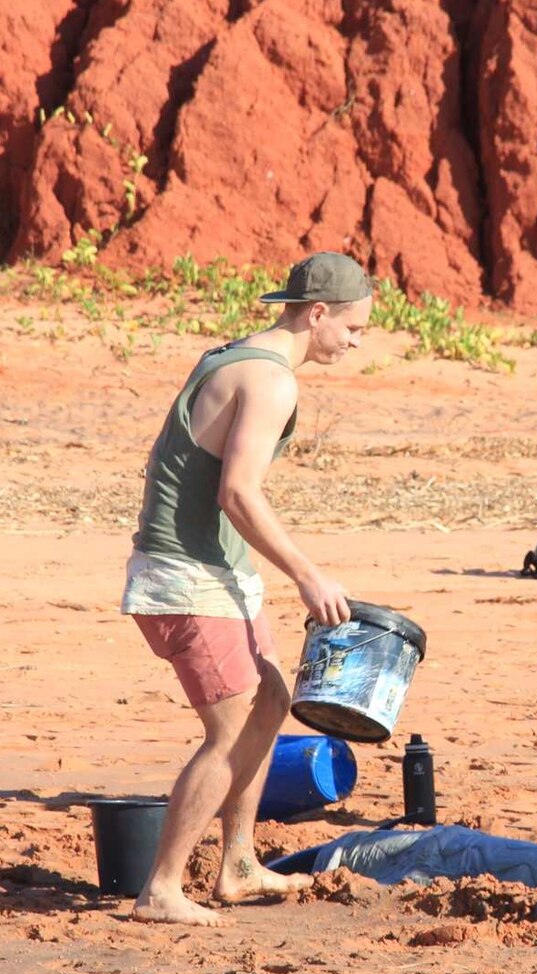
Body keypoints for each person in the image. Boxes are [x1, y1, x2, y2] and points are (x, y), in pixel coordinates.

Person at [120, 251, 373, 925]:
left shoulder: (237, 356)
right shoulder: (271, 382)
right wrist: (308, 573)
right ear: (316, 313)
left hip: (217, 570)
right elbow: (237, 492)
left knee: (272, 701)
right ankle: (162, 887)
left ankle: (236, 863)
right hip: (187, 574)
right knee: (230, 729)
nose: (355, 343)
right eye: (352, 328)